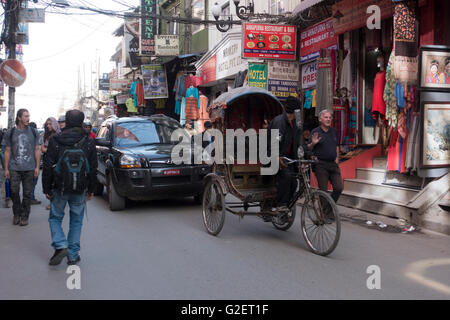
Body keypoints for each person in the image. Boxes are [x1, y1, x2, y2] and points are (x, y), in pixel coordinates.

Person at [42, 110, 98, 266]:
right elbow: (93, 168)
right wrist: (91, 189)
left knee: (55, 218)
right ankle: (73, 255)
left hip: (59, 188)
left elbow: (47, 165)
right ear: (81, 123)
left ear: (66, 122)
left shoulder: (55, 140)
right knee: (76, 221)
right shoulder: (88, 141)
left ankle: (60, 245)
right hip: (79, 188)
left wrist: (46, 188)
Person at [2, 109, 42, 226]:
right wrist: (5, 169)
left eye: (28, 116)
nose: (28, 118)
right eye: (25, 116)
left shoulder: (34, 132)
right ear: (19, 118)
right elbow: (7, 151)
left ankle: (25, 216)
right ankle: (17, 213)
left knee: (27, 194)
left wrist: (37, 167)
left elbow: (37, 150)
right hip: (14, 168)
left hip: (29, 168)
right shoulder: (11, 132)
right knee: (14, 192)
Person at [267, 96, 304, 215]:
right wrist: (276, 156)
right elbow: (273, 142)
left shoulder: (296, 123)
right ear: (295, 111)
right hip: (273, 156)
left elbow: (299, 142)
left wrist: (308, 153)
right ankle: (281, 204)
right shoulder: (279, 122)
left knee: (294, 182)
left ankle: (285, 206)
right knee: (287, 176)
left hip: (289, 159)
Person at [307, 109, 343, 204]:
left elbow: (336, 146)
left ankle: (328, 210)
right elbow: (308, 148)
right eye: (326, 117)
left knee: (339, 188)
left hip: (333, 164)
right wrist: (313, 143)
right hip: (320, 164)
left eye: (330, 117)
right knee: (323, 191)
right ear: (320, 119)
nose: (328, 119)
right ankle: (325, 216)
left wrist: (337, 159)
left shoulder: (334, 131)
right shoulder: (315, 132)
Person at [42, 117, 61, 210]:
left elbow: (45, 149)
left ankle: (54, 203)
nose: (48, 126)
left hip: (57, 162)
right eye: (47, 124)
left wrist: (47, 149)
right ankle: (52, 201)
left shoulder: (59, 135)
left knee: (55, 183)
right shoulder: (46, 135)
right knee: (48, 182)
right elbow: (42, 149)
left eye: (50, 124)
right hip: (47, 161)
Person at [29, 122, 42, 206]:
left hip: (26, 164)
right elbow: (39, 151)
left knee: (28, 182)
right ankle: (31, 198)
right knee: (33, 182)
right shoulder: (37, 138)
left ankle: (29, 198)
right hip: (33, 164)